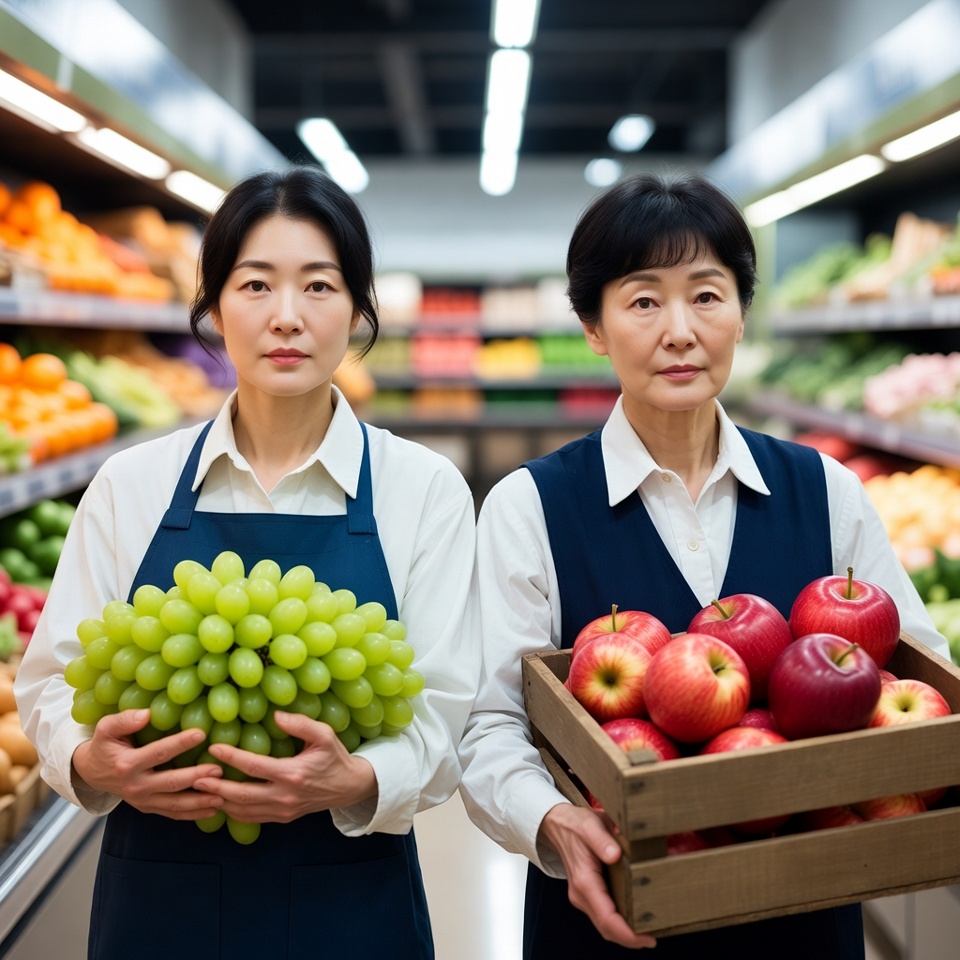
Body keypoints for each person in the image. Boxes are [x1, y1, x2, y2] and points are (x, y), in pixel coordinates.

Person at [456, 171, 951, 959]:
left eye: (707, 296)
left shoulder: (826, 490)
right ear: (593, 326)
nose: (680, 331)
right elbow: (491, 724)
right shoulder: (529, 506)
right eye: (643, 301)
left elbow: (915, 671)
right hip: (611, 915)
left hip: (801, 914)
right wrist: (554, 823)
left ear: (742, 313)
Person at [15, 166, 479, 960]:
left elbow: (445, 711)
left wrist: (358, 781)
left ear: (358, 309)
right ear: (214, 306)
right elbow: (50, 681)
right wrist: (89, 759)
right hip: (159, 900)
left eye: (320, 286)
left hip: (351, 904)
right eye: (256, 284)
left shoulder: (425, 489)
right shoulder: (132, 483)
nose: (286, 316)